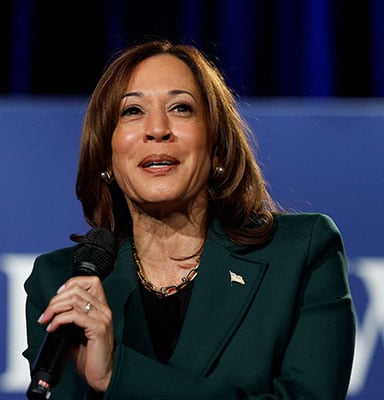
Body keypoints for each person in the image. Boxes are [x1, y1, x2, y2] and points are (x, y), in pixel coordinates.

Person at [23, 39, 355, 399]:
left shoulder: (300, 253)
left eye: (181, 108)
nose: (157, 129)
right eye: (132, 111)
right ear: (105, 155)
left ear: (216, 148)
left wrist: (118, 375)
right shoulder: (61, 283)